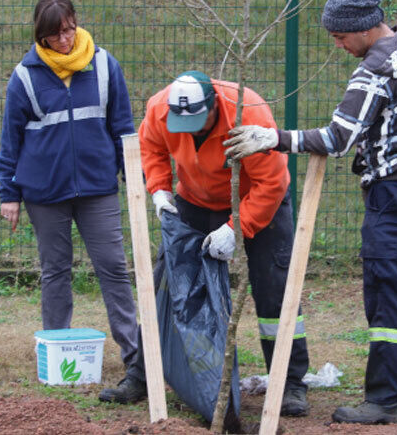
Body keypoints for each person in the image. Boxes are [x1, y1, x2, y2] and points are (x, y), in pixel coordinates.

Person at [225, 0, 397, 425]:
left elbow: (337, 137)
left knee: (390, 295)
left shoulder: (376, 68)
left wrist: (272, 138)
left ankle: (388, 400)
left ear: (364, 28)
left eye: (340, 37)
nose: (338, 44)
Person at [98, 70, 311, 418]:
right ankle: (142, 373)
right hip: (194, 200)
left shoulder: (248, 112)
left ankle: (289, 382)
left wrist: (236, 228)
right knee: (166, 281)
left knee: (275, 290)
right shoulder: (160, 109)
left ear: (214, 105)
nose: (193, 130)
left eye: (199, 121)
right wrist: (160, 189)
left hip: (258, 200)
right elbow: (150, 147)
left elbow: (272, 183)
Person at [0, 0, 138, 400]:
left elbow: (123, 127)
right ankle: (58, 350)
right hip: (45, 193)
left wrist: (133, 179)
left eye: (70, 28)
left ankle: (134, 355)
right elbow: (11, 140)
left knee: (113, 267)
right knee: (55, 270)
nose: (65, 38)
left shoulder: (105, 66)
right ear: (41, 35)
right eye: (56, 33)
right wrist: (10, 194)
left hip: (98, 189)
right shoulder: (24, 76)